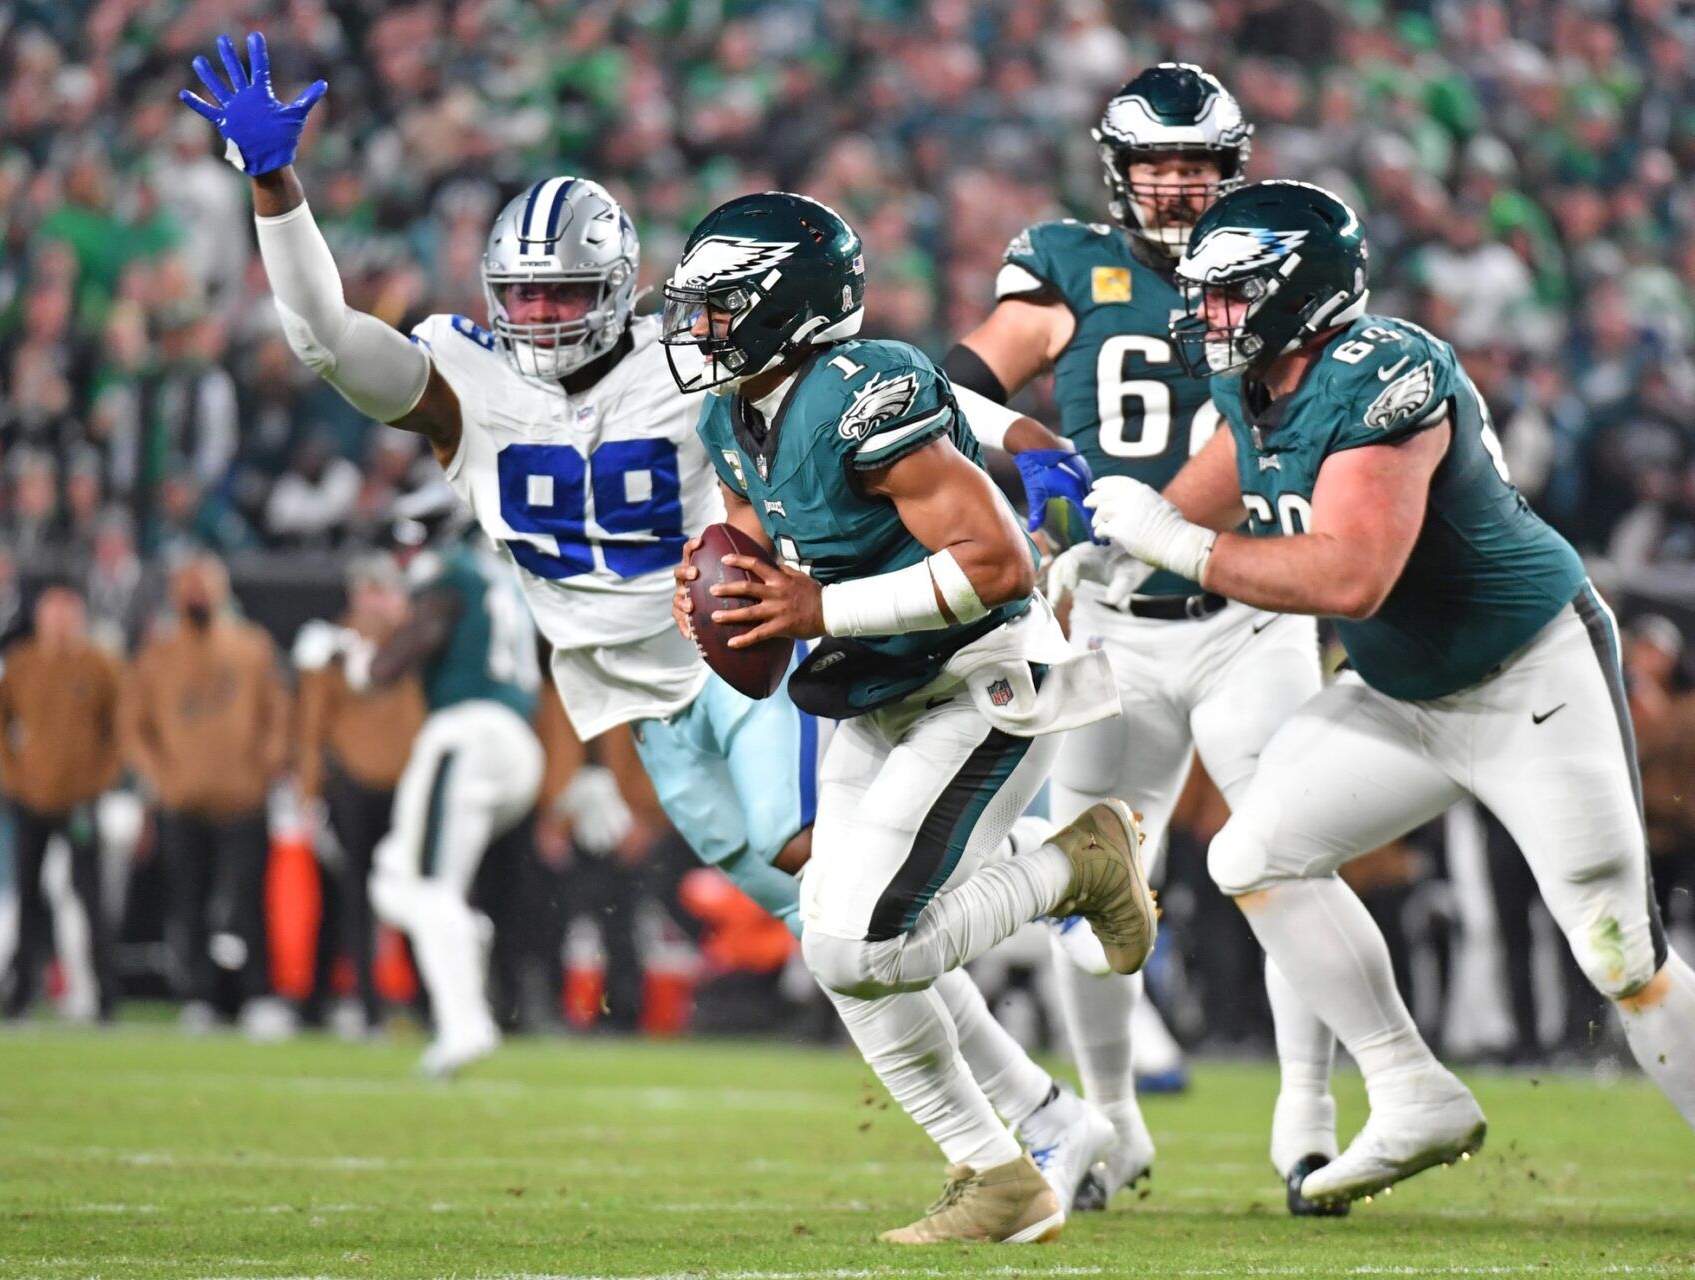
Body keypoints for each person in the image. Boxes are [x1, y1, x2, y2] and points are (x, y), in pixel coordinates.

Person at [182, 33, 1108, 1147]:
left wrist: (1019, 434)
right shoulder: (465, 380)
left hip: (749, 649)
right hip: (625, 686)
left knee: (820, 871)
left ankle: (1039, 954)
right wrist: (278, 189)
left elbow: (883, 381)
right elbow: (325, 339)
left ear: (620, 286)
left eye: (565, 293)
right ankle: (1043, 1111)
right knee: (810, 911)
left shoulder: (689, 354)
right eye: (521, 298)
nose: (540, 319)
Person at [1082, 178, 1695, 1205]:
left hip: (1526, 679)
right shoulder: (1261, 376)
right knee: (1253, 852)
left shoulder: (1388, 374)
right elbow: (1220, 476)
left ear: (1300, 294)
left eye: (1229, 294)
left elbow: (1348, 574)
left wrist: (1177, 546)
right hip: (1402, 690)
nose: (1203, 315)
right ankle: (1411, 1087)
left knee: (1618, 949)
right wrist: (1107, 562)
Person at [663, 190, 1155, 1244]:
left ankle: (1080, 864)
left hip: (981, 677)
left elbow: (995, 563)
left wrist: (813, 606)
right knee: (835, 945)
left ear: (784, 310)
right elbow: (757, 583)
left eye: (718, 305)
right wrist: (722, 602)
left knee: (862, 947)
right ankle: (999, 1174)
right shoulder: (729, 414)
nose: (695, 327)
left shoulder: (863, 390)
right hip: (878, 691)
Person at [949, 64, 1339, 1214]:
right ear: (1119, 173)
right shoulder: (1069, 263)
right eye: (1157, 167)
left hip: (1246, 612)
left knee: (1289, 856)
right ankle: (1110, 1111)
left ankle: (1309, 1117)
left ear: (1236, 170)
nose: (1175, 190)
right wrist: (1024, 439)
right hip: (1111, 622)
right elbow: (958, 380)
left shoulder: (1284, 260)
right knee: (1090, 885)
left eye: (1198, 168)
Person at [363, 509, 542, 1077]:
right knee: (397, 877)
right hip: (516, 741)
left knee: (424, 886)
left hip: (466, 734)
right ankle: (463, 940)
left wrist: (359, 663)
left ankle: (465, 1025)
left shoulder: (451, 575)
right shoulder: (507, 580)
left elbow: (401, 655)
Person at [121, 554, 291, 1037]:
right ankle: (200, 995)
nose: (197, 594)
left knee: (249, 903)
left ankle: (258, 994)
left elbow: (278, 712)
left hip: (243, 797)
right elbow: (134, 728)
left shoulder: (252, 647)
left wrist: (267, 765)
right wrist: (159, 779)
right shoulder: (158, 655)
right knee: (187, 903)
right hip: (183, 799)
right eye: (189, 586)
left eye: (205, 585)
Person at [292, 552, 427, 1038]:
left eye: (382, 590)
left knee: (417, 896)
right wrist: (308, 793)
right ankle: (361, 1005)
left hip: (410, 784)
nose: (374, 602)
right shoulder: (332, 646)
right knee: (348, 901)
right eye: (366, 591)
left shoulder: (416, 638)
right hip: (351, 785)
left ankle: (427, 1001)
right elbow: (311, 726)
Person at [0, 583, 124, 1021]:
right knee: (26, 897)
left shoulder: (99, 665)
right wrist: (13, 777)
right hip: (30, 797)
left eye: (68, 612)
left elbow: (117, 730)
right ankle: (22, 992)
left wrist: (98, 782)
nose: (60, 621)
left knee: (90, 898)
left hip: (79, 799)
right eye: (53, 612)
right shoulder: (21, 663)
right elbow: (0, 724)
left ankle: (107, 995)